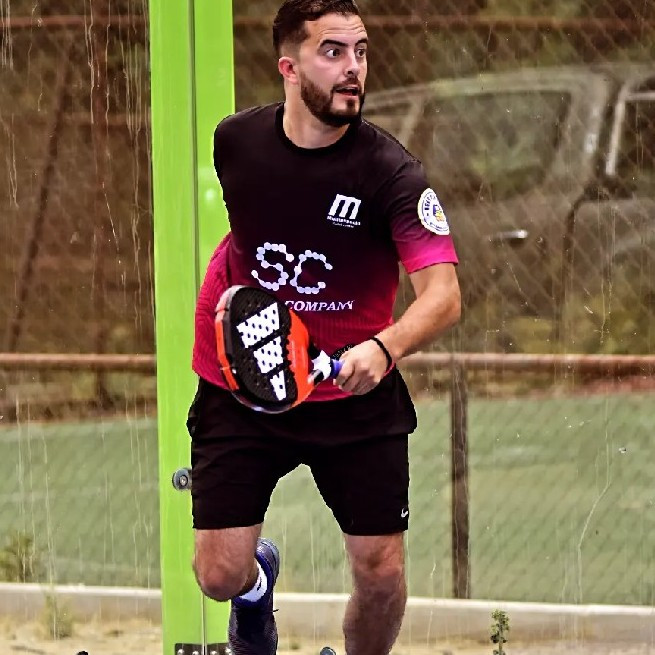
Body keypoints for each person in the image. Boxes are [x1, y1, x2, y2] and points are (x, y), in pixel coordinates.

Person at [188, 1, 461, 653]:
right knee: (218, 576)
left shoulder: (392, 175)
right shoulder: (235, 143)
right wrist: (234, 320)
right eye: (332, 52)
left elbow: (444, 295)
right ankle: (256, 589)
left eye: (360, 51)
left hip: (355, 396)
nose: (352, 68)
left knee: (381, 576)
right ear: (289, 67)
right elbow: (243, 244)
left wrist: (384, 347)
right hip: (247, 384)